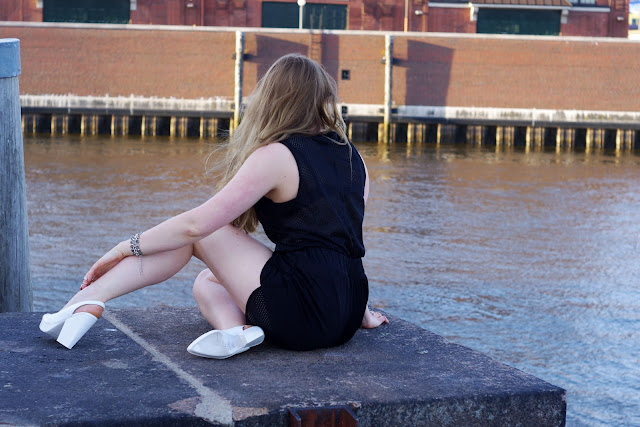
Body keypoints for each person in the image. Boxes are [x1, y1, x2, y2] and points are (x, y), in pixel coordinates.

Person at [39, 53, 388, 357]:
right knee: (207, 282)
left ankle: (89, 299)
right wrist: (361, 311)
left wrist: (122, 248)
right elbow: (345, 242)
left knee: (203, 233)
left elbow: (195, 227)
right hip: (345, 311)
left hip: (302, 314)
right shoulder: (352, 157)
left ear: (273, 99)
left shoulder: (278, 155)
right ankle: (233, 332)